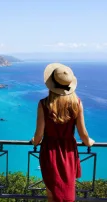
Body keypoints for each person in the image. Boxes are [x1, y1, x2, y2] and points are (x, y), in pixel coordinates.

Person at [31, 63, 95, 202]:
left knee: (51, 192)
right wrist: (89, 142)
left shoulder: (43, 104)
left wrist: (34, 141)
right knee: (67, 187)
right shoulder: (77, 103)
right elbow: (83, 133)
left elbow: (39, 134)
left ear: (51, 84)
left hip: (49, 152)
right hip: (68, 152)